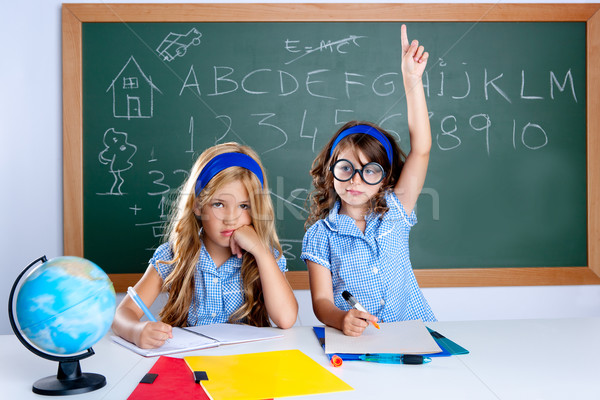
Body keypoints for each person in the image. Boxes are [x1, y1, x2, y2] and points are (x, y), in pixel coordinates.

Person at [301, 25, 436, 337]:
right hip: (360, 340)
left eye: (370, 170)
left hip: (414, 331)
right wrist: (340, 319)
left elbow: (422, 148)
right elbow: (321, 302)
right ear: (330, 171)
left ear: (385, 178)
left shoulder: (396, 208)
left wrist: (411, 80)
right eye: (346, 168)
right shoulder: (320, 235)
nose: (355, 180)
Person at [112, 142, 298, 349]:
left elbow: (286, 319)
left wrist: (261, 252)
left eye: (244, 206)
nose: (231, 219)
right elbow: (122, 315)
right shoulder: (173, 255)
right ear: (198, 206)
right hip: (189, 364)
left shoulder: (266, 257)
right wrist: (136, 331)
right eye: (219, 204)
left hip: (247, 366)